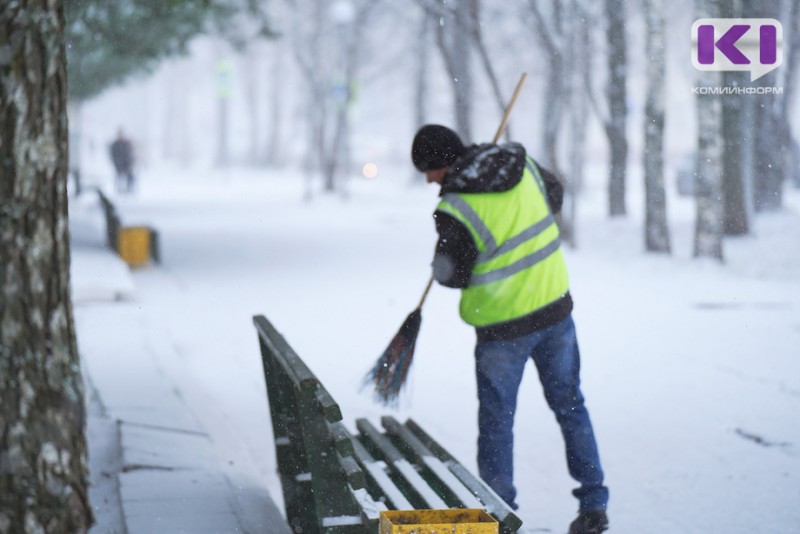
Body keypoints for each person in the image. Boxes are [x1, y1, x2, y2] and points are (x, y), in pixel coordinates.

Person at [411, 124, 609, 534]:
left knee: (497, 422)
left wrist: (440, 262)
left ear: (442, 164)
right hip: (555, 310)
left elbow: (453, 275)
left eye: (428, 170)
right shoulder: (521, 165)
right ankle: (593, 504)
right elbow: (554, 197)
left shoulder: (456, 208)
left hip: (503, 331)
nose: (428, 180)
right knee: (571, 407)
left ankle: (501, 516)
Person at [110, 129, 135, 193]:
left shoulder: (126, 143)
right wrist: (116, 162)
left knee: (129, 176)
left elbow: (130, 153)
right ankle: (119, 189)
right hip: (118, 163)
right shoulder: (115, 144)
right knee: (119, 177)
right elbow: (112, 154)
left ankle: (129, 189)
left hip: (126, 163)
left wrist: (131, 161)